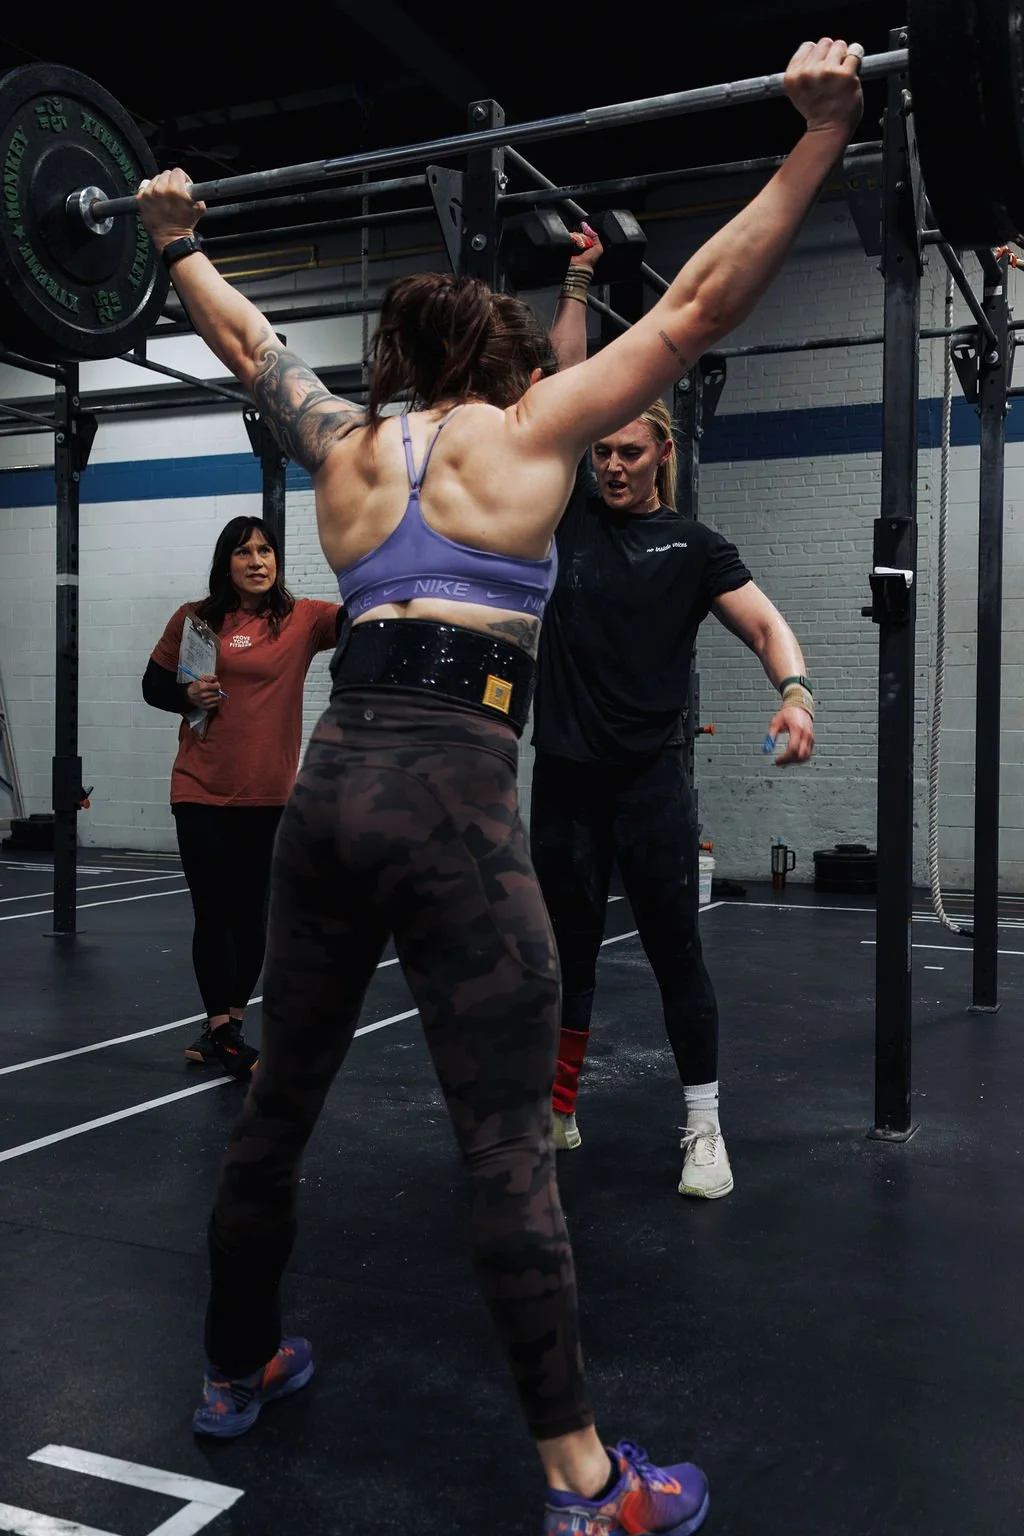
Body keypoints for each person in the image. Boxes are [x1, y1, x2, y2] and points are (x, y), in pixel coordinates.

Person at [137, 38, 861, 1534]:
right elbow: (704, 302)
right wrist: (817, 142)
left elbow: (246, 340)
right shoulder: (530, 434)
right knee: (502, 1143)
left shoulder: (341, 443)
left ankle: (231, 1366)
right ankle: (585, 1483)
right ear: (495, 357)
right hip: (456, 800)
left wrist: (173, 241)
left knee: (278, 1105)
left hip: (333, 788)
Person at [533, 234, 815, 1198]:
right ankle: (558, 1109)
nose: (610, 465)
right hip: (564, 782)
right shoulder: (564, 519)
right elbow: (561, 377)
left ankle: (703, 1128)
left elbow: (766, 622)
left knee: (673, 956)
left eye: (627, 451)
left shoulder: (693, 546)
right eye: (601, 451)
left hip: (651, 786)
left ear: (661, 452)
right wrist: (575, 279)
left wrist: (796, 692)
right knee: (562, 958)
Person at [142, 516, 341, 1078]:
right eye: (243, 553)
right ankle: (223, 1031)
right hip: (201, 789)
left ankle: (225, 1025)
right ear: (225, 564)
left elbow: (360, 620)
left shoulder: (303, 620)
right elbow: (152, 686)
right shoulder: (196, 621)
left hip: (269, 795)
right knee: (214, 910)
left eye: (265, 551)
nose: (257, 561)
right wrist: (186, 692)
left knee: (254, 914)